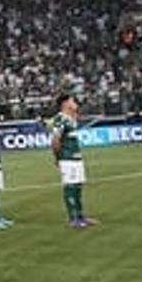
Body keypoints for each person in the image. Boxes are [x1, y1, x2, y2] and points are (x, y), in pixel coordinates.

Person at [51, 94, 95, 228]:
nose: (74, 102)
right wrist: (57, 158)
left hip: (76, 157)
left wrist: (74, 110)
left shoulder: (71, 118)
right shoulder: (60, 118)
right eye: (71, 100)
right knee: (70, 186)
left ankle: (81, 215)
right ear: (64, 103)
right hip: (67, 158)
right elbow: (55, 140)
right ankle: (73, 218)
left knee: (78, 186)